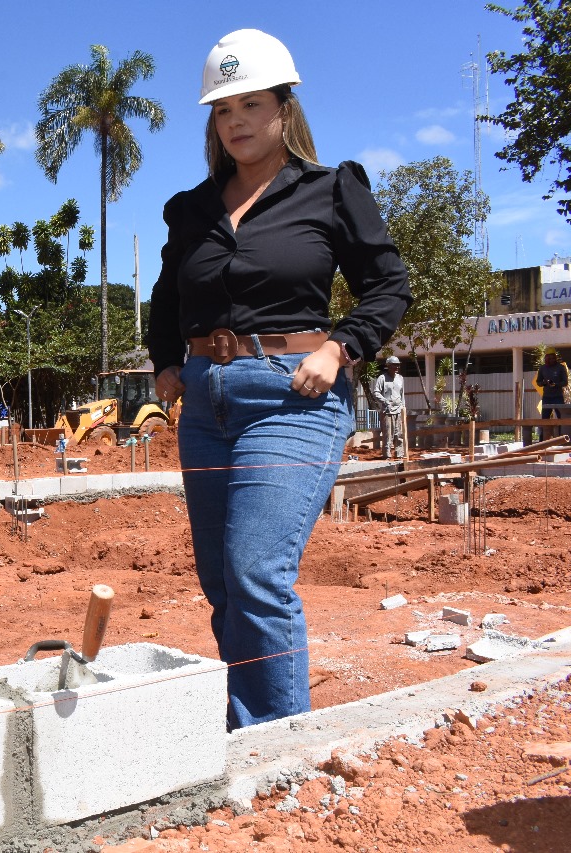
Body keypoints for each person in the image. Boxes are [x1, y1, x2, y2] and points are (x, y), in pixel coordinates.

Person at [147, 29, 412, 730]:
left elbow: (388, 285)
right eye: (223, 109)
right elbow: (167, 297)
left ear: (284, 109)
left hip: (292, 397)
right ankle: (245, 730)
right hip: (206, 402)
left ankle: (275, 750)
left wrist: (342, 347)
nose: (235, 121)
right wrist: (165, 361)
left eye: (251, 105)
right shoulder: (191, 210)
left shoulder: (330, 190)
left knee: (256, 571)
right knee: (223, 585)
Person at [373, 356, 407, 459]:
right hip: (387, 411)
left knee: (399, 434)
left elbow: (402, 394)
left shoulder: (400, 378)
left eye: (398, 365)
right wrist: (385, 401)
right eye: (394, 365)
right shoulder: (382, 378)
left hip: (398, 410)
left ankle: (399, 453)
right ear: (388, 366)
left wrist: (403, 408)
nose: (396, 367)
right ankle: (386, 454)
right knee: (388, 434)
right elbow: (376, 392)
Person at [537, 351, 568, 437]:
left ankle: (564, 438)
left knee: (561, 418)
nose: (552, 360)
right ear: (546, 358)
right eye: (549, 358)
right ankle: (543, 439)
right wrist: (543, 383)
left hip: (558, 397)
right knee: (545, 419)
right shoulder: (542, 368)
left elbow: (565, 382)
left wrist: (556, 384)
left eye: (553, 358)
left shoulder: (560, 368)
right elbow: (538, 382)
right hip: (547, 397)